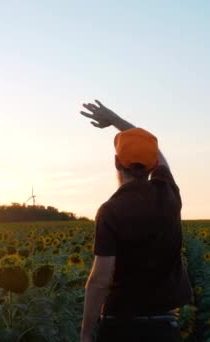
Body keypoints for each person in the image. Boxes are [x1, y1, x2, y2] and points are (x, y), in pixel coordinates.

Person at [78, 100, 192, 342]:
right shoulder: (168, 194)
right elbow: (155, 151)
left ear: (116, 162)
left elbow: (100, 280)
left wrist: (87, 334)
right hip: (164, 328)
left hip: (121, 327)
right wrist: (117, 121)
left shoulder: (111, 211)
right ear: (152, 166)